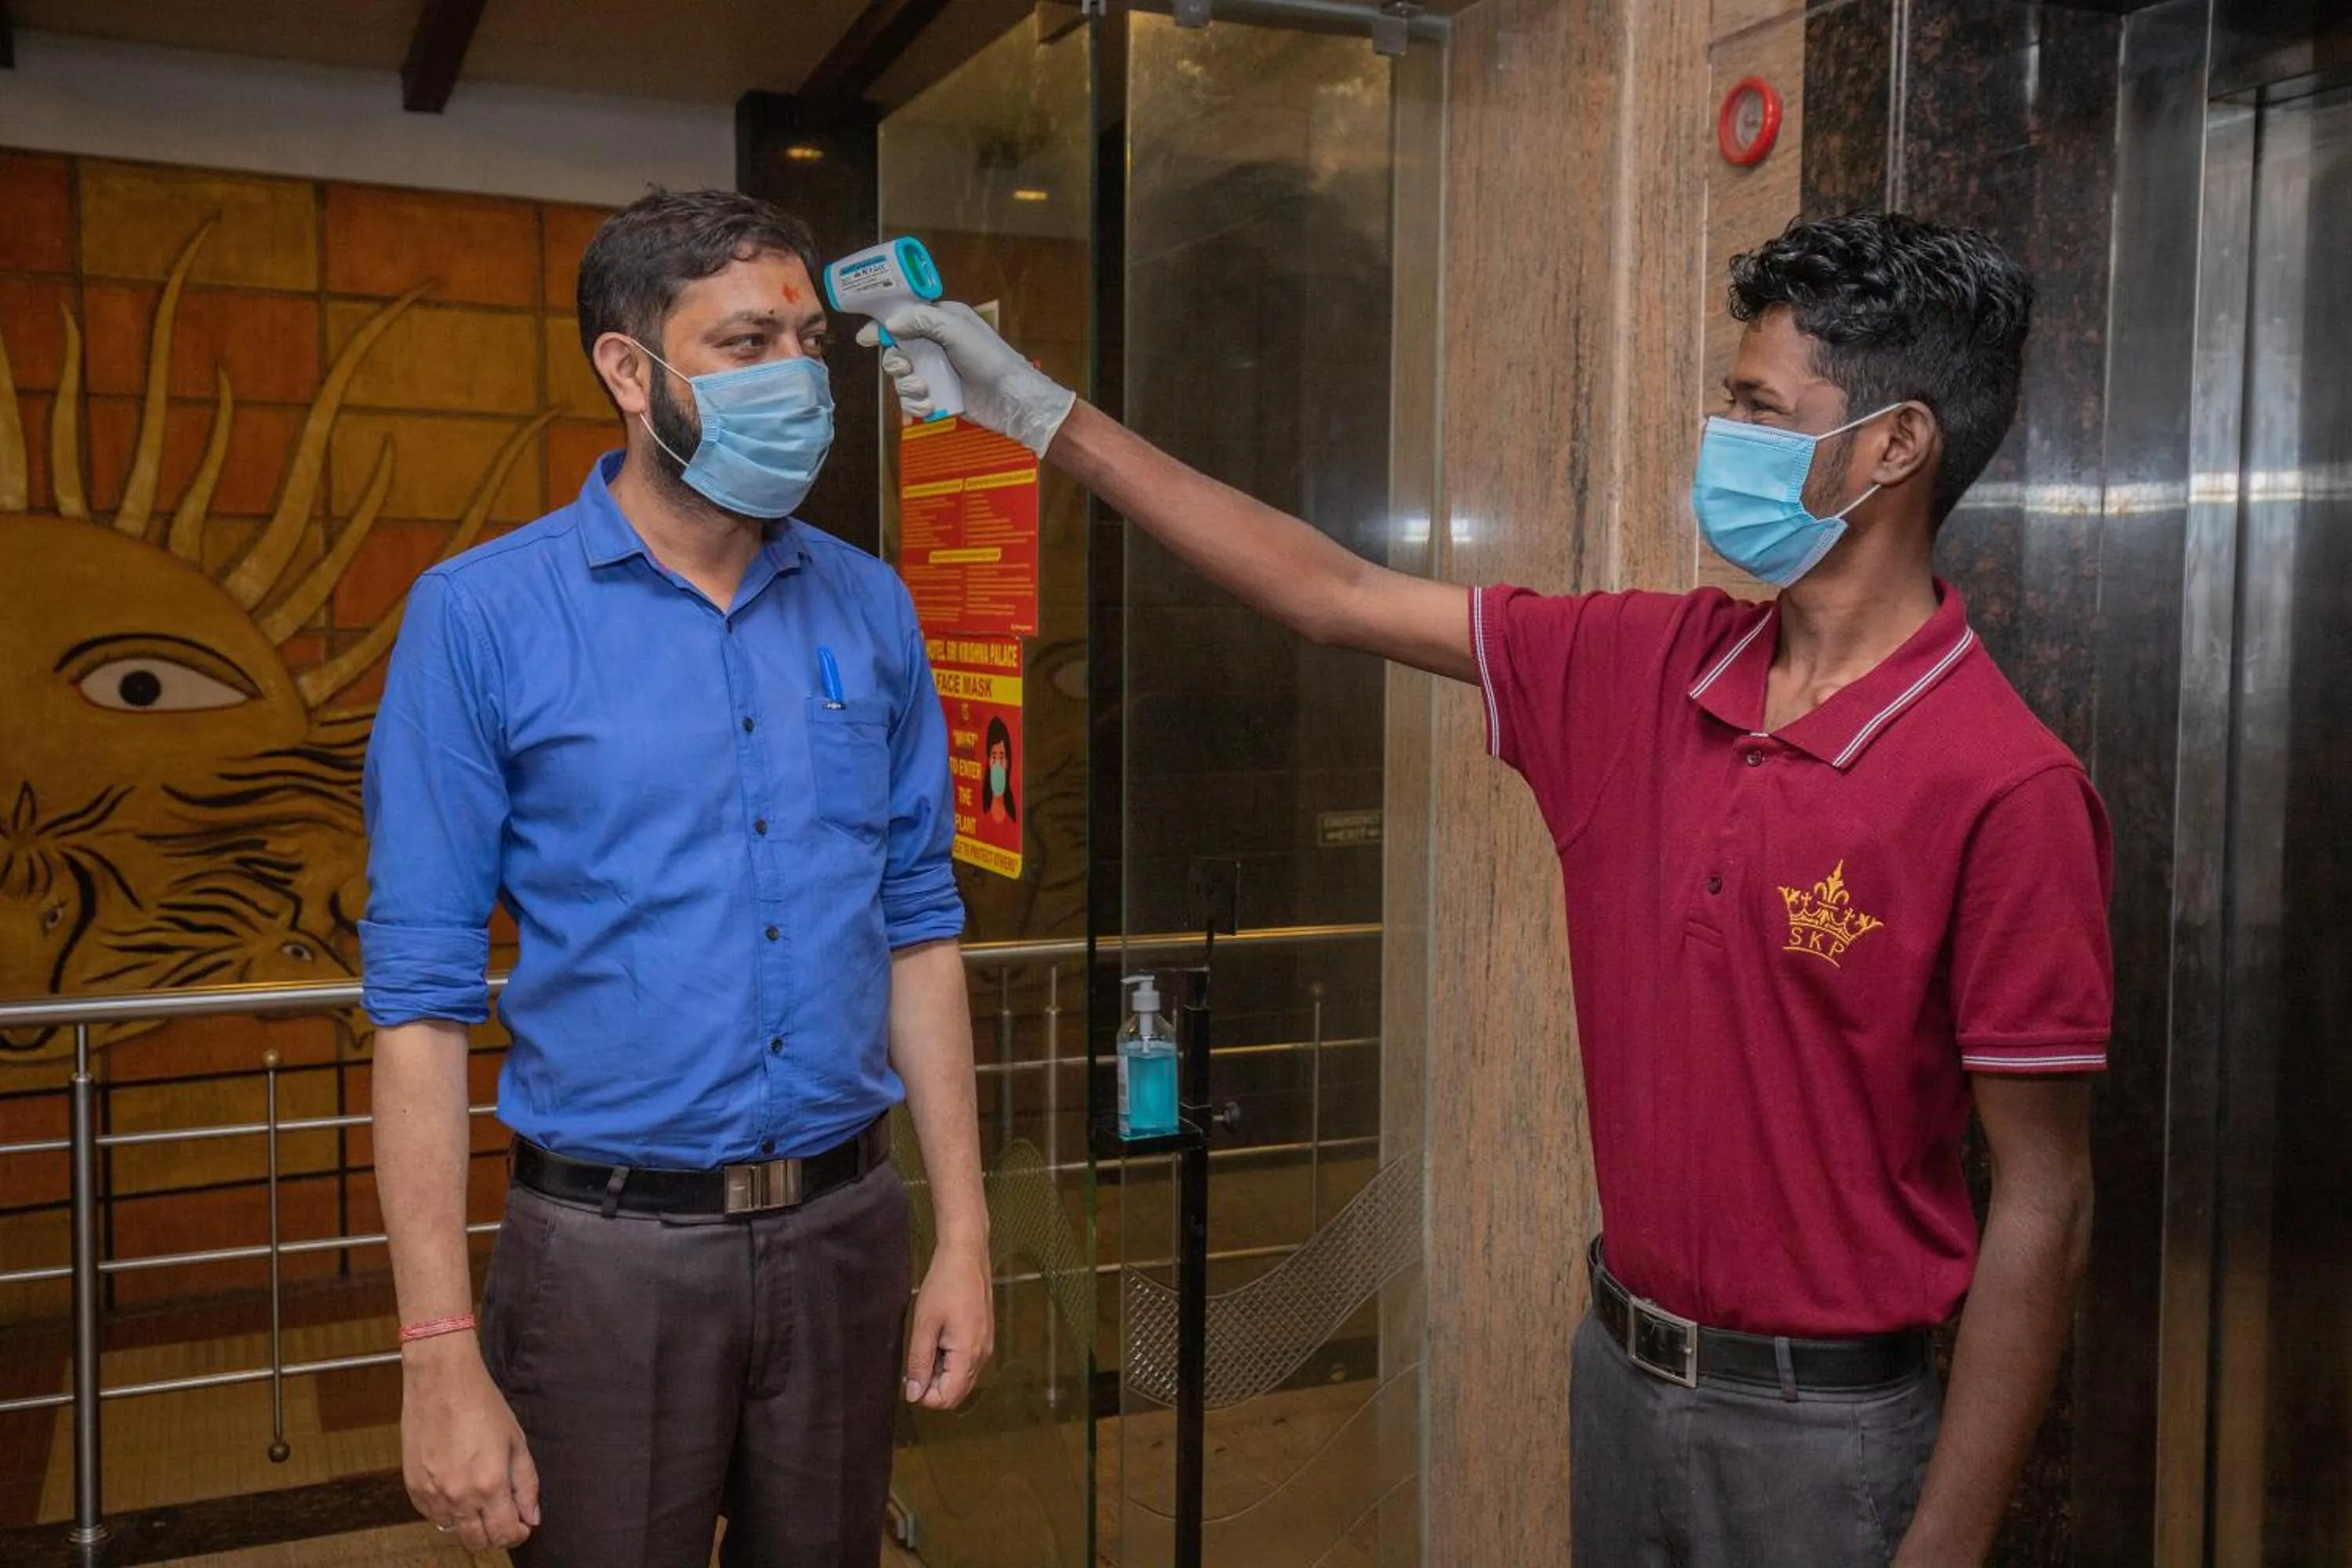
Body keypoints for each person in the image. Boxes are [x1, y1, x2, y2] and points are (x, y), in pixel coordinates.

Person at [866, 212, 2110, 1566]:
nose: (1723, 436)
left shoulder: (2005, 786)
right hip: (1619, 1379)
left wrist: (1946, 1548)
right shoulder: (1646, 667)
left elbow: (2044, 1200)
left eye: (1760, 408)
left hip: (1831, 1442)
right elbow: (1333, 591)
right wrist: (1041, 417)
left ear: (1894, 445)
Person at [361, 188, 993, 1567]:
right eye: (746, 344)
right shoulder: (481, 616)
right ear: (629, 370)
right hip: (607, 1259)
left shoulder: (871, 605)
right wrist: (438, 1354)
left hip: (847, 1235)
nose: (797, 381)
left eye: (808, 344)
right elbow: (417, 1003)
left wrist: (965, 1235)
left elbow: (919, 929)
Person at [981, 715, 1018, 826]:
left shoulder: (1013, 819)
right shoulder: (983, 816)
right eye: (994, 756)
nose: (997, 765)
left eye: (1001, 757)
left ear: (1008, 762)